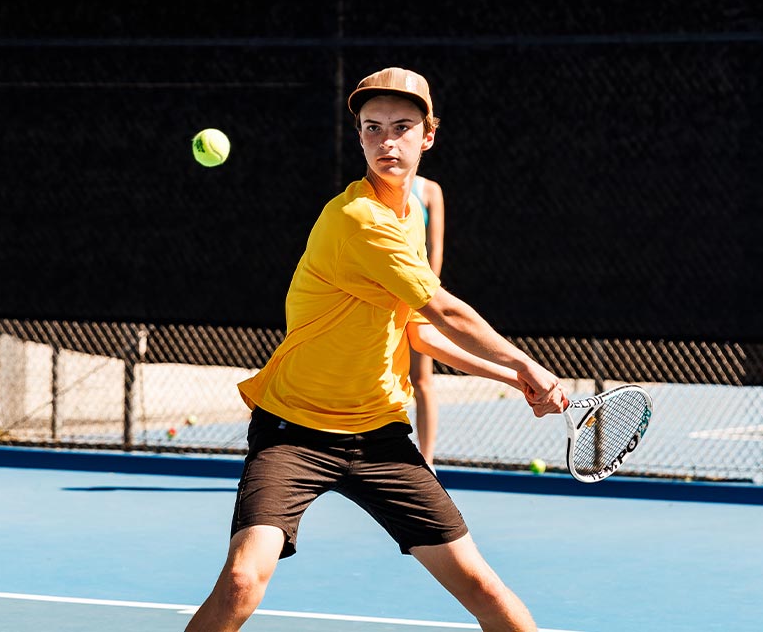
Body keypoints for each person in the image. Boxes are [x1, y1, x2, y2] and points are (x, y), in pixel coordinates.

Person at [184, 67, 566, 632]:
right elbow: (444, 310)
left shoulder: (408, 216)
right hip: (294, 430)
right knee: (242, 580)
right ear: (359, 136)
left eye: (402, 127)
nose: (387, 141)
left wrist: (512, 380)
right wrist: (528, 362)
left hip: (379, 436)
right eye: (372, 128)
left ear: (427, 135)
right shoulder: (357, 218)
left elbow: (417, 331)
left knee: (482, 585)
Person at [409, 174, 444, 467]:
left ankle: (427, 462)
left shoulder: (430, 190)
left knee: (421, 380)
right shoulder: (369, 188)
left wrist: (425, 299)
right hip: (380, 301)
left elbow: (435, 248)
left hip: (416, 298)